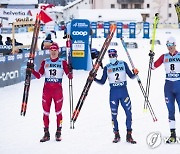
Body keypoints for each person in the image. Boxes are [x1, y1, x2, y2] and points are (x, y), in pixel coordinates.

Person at [28, 42, 73, 142]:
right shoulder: (45, 61)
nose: (53, 53)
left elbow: (69, 76)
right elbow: (39, 75)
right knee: (46, 113)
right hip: (47, 91)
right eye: (51, 51)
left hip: (57, 91)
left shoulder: (63, 62)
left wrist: (70, 70)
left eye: (55, 51)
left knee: (58, 112)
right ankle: (46, 133)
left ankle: (58, 132)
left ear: (58, 51)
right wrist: (32, 70)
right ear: (49, 51)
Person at [94, 49, 139, 144]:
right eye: (110, 55)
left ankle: (129, 134)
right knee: (114, 115)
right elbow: (102, 82)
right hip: (113, 93)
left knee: (129, 113)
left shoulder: (123, 64)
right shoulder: (107, 67)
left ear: (116, 55)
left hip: (123, 92)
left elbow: (131, 76)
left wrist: (135, 73)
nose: (111, 57)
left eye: (113, 55)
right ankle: (116, 134)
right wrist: (94, 78)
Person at [151, 36, 180, 143]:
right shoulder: (164, 56)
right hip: (168, 87)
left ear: (175, 44)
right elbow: (152, 67)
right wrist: (151, 58)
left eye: (171, 45)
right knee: (171, 111)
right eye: (167, 45)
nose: (169, 47)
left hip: (179, 85)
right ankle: (173, 135)